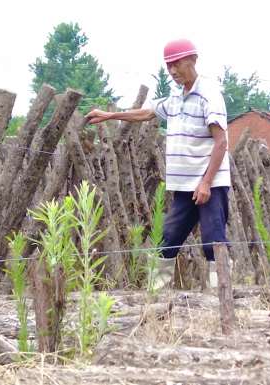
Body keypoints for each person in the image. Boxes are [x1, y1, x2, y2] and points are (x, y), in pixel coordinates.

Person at [86, 39, 230, 289]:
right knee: (168, 240)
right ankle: (156, 297)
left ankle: (221, 297)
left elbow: (221, 142)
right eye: (168, 66)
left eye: (177, 64)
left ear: (193, 60)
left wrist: (206, 183)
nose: (173, 71)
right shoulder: (176, 96)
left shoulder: (209, 96)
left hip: (209, 184)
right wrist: (111, 115)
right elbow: (147, 112)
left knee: (212, 242)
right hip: (185, 185)